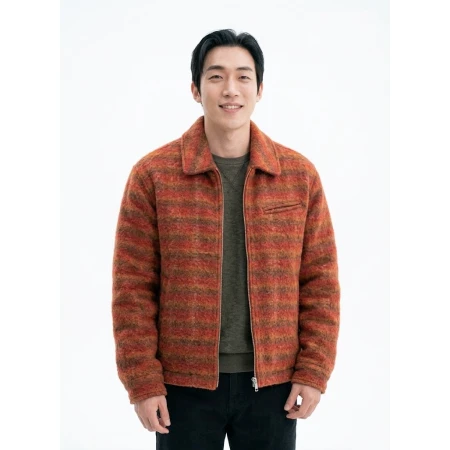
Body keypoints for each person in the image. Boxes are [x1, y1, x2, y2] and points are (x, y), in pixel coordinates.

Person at [112, 29, 340, 450]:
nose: (230, 89)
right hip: (181, 386)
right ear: (195, 89)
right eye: (216, 76)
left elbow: (320, 283)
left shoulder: (298, 176)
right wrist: (142, 380)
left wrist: (313, 371)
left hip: (274, 385)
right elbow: (133, 289)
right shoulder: (153, 175)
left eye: (243, 77)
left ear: (260, 89)